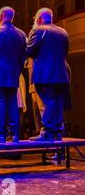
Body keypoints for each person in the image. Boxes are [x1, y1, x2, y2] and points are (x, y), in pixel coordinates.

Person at [0, 7, 27, 143]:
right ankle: (14, 135)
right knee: (12, 103)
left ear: (0, 16)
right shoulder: (21, 34)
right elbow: (22, 57)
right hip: (13, 74)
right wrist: (17, 71)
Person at [27, 8, 69, 141]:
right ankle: (57, 132)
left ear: (38, 19)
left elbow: (29, 51)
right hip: (61, 74)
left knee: (48, 102)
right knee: (57, 103)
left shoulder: (37, 30)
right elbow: (66, 51)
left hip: (44, 74)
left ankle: (47, 132)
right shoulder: (63, 31)